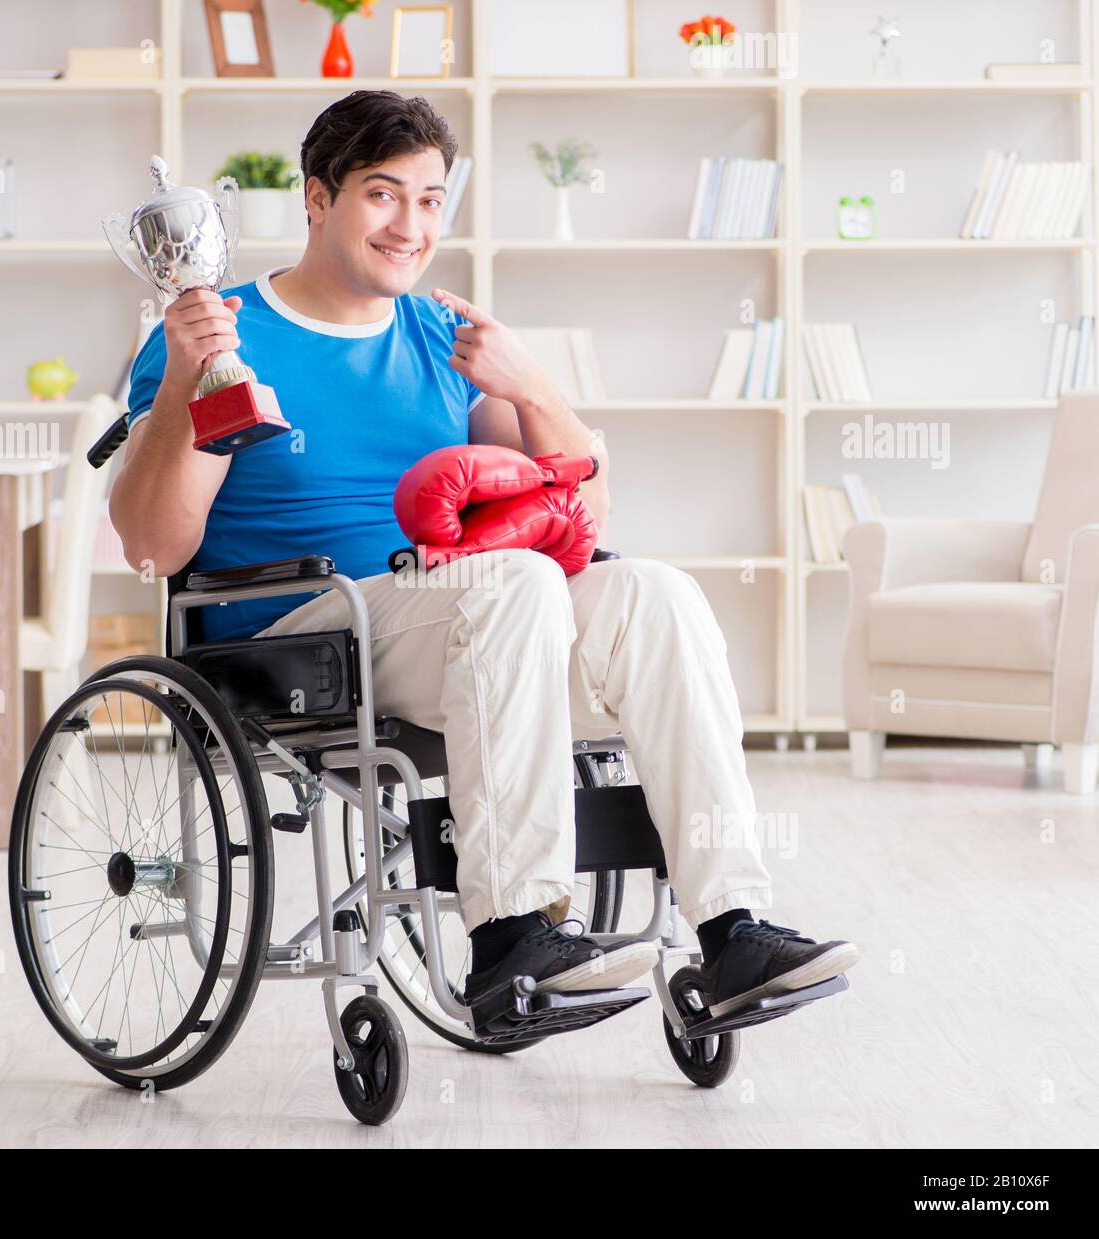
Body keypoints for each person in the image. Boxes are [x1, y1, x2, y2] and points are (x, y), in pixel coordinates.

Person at [110, 90, 859, 1013]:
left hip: (463, 621)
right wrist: (187, 382)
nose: (410, 224)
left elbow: (585, 515)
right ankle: (512, 934)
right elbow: (151, 543)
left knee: (653, 593)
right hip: (297, 637)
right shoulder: (215, 331)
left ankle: (733, 928)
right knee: (509, 584)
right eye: (383, 195)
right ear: (316, 198)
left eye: (430, 201)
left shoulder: (436, 334)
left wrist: (536, 389)